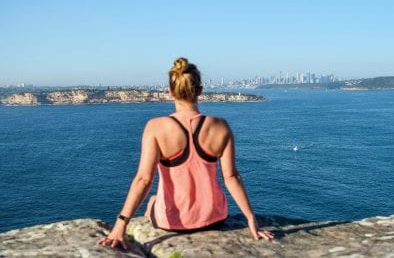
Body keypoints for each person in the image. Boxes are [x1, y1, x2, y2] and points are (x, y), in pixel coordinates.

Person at [98, 57, 274, 249]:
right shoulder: (221, 127)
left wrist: (120, 224)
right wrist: (251, 219)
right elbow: (231, 177)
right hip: (214, 218)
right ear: (200, 90)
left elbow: (143, 180)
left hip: (172, 222)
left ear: (170, 92)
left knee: (153, 201)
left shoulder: (155, 128)